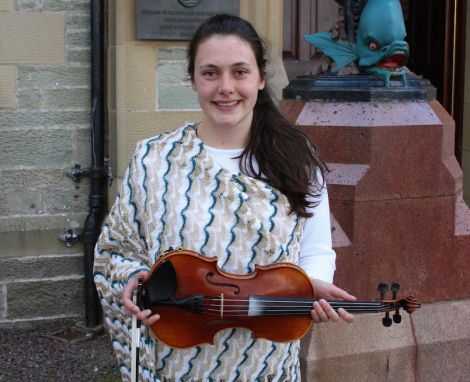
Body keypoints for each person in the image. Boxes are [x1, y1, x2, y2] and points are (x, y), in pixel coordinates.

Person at [94, 14, 356, 382]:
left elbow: (315, 249)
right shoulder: (154, 159)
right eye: (211, 73)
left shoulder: (298, 160)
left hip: (266, 359)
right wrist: (135, 280)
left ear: (261, 79)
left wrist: (310, 288)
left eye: (240, 72)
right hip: (176, 356)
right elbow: (115, 252)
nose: (226, 87)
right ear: (193, 80)